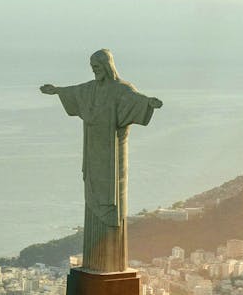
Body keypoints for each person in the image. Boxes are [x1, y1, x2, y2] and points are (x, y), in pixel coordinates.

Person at [40, 49, 162, 273]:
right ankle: (94, 263)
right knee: (93, 198)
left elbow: (137, 101)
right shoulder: (90, 89)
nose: (94, 70)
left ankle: (111, 264)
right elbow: (74, 92)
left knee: (112, 202)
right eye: (92, 67)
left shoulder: (122, 90)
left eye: (97, 66)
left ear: (107, 66)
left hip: (113, 158)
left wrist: (150, 103)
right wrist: (56, 90)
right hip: (93, 155)